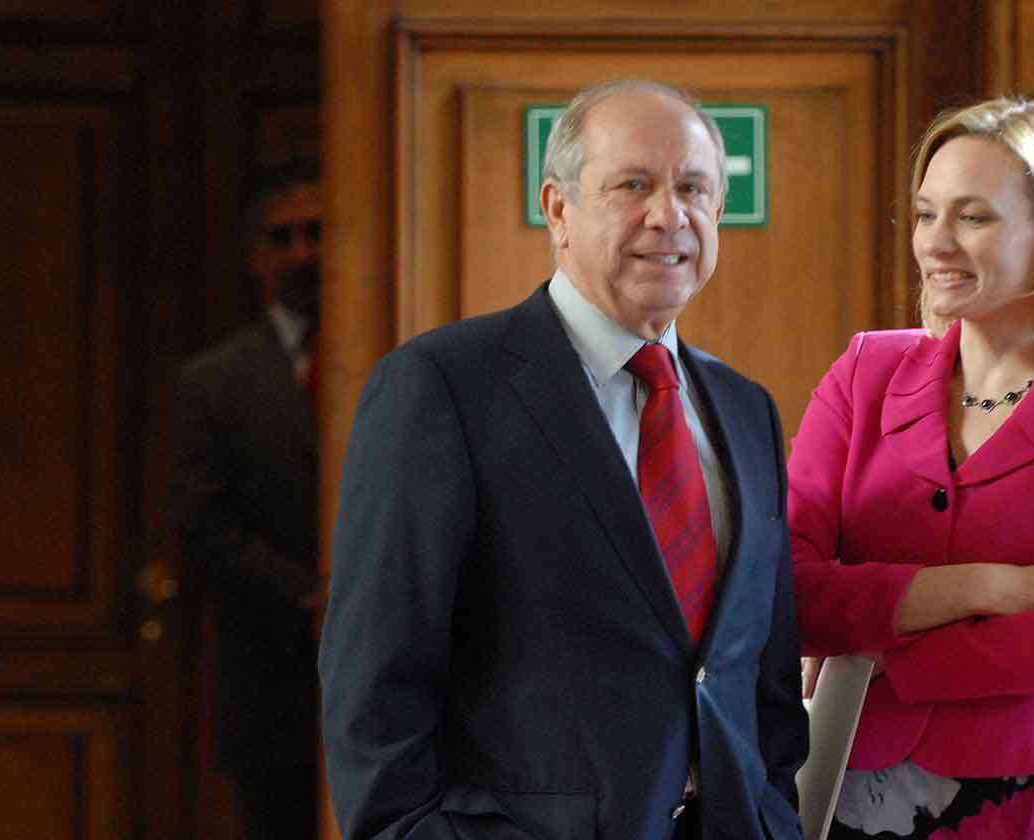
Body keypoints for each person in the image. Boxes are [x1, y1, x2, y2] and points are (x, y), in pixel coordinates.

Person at [318, 80, 807, 840]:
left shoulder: (748, 411)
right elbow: (377, 680)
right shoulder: (444, 386)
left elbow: (763, 681)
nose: (668, 215)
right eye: (633, 185)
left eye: (693, 189)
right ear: (558, 209)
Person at [788, 97, 1034, 839]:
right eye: (925, 214)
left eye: (973, 217)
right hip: (855, 786)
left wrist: (886, 656)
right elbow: (786, 588)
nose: (936, 242)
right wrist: (976, 587)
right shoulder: (864, 372)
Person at [169, 160, 324, 840]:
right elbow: (202, 522)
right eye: (282, 238)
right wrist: (309, 597)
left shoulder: (402, 354)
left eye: (317, 232)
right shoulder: (214, 382)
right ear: (255, 257)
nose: (303, 253)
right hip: (272, 681)